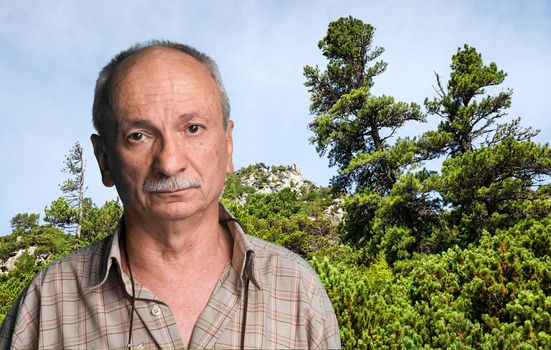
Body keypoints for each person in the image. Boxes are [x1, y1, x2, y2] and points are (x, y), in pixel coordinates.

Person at [0, 40, 341, 349]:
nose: (169, 162)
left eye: (193, 128)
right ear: (104, 160)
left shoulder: (299, 293)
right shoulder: (45, 305)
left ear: (228, 143)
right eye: (138, 135)